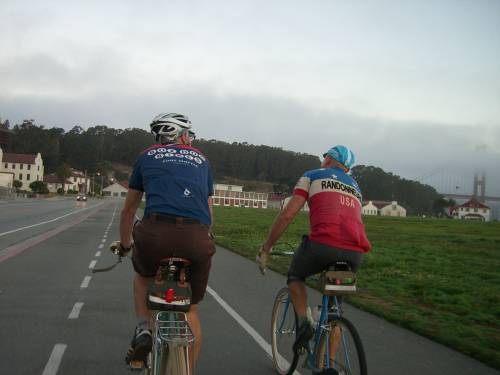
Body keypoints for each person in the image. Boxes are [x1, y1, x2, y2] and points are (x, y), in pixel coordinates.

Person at [112, 112, 215, 368]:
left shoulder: (146, 156)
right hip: (196, 236)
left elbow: (128, 211)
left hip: (155, 234)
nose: (189, 139)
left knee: (142, 277)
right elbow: (209, 213)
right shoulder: (202, 159)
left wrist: (125, 246)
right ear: (180, 134)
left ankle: (143, 329)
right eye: (188, 134)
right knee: (190, 308)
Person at [256, 145, 371, 353]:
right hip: (355, 252)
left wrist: (267, 247)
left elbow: (287, 214)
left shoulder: (312, 175)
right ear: (347, 169)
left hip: (323, 245)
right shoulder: (356, 187)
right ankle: (327, 360)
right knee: (336, 311)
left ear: (328, 159)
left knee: (295, 276)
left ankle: (303, 325)